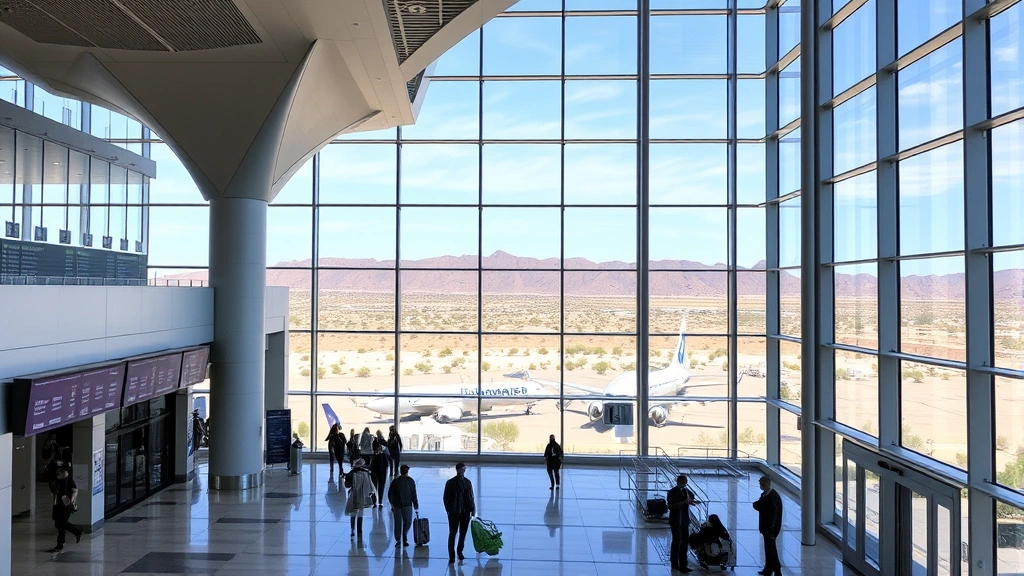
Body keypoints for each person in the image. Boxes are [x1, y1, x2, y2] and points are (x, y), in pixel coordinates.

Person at [442, 462, 476, 563]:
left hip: (465, 512)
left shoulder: (467, 482)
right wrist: (449, 509)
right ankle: (452, 555)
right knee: (453, 533)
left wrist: (472, 509)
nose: (463, 471)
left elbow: (471, 497)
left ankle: (459, 551)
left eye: (464, 469)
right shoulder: (450, 483)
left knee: (462, 534)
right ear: (458, 470)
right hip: (454, 512)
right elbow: (446, 498)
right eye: (461, 469)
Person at [752, 475, 783, 576]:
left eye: (761, 483)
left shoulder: (772, 496)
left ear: (764, 484)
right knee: (768, 549)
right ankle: (768, 569)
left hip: (770, 529)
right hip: (766, 528)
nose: (760, 485)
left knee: (771, 549)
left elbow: (772, 511)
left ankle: (777, 570)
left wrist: (771, 527)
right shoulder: (766, 494)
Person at [667, 474, 697, 573]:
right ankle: (675, 564)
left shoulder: (686, 491)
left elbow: (692, 496)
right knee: (676, 542)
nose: (685, 483)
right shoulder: (672, 492)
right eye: (683, 481)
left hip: (684, 521)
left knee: (684, 542)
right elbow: (672, 506)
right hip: (676, 521)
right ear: (679, 482)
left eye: (685, 482)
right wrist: (685, 502)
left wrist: (690, 501)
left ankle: (683, 564)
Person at [48, 466, 82, 553]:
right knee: (59, 523)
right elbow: (53, 490)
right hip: (58, 504)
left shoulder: (68, 480)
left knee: (61, 524)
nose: (59, 474)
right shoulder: (57, 481)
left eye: (61, 472)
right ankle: (76, 531)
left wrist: (71, 501)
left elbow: (75, 490)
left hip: (66, 505)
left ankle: (60, 544)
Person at [387, 464, 419, 547]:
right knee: (400, 523)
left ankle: (403, 537)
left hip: (406, 504)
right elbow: (390, 493)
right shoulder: (396, 482)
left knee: (406, 522)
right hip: (399, 505)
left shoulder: (410, 481)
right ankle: (399, 539)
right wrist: (392, 504)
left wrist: (415, 503)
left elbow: (413, 493)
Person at [345, 459, 374, 539]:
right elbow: (370, 487)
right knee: (360, 513)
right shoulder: (366, 473)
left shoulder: (352, 473)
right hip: (362, 496)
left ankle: (352, 529)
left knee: (353, 513)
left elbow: (347, 485)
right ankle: (359, 530)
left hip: (353, 495)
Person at [368, 442, 390, 509]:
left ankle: (378, 502)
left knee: (378, 487)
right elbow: (387, 464)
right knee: (376, 487)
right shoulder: (379, 455)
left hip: (378, 473)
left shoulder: (376, 455)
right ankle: (376, 502)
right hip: (379, 473)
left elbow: (387, 464)